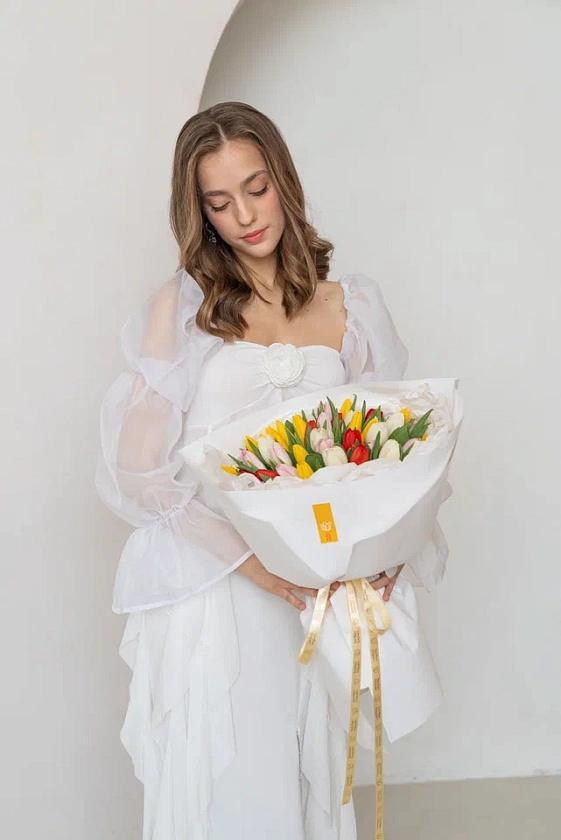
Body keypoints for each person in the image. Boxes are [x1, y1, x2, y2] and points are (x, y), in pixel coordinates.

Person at [95, 101, 409, 840]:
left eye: (256, 188)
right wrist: (254, 564)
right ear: (199, 213)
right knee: (233, 774)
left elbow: (384, 450)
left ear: (283, 181)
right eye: (219, 201)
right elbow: (138, 472)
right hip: (222, 584)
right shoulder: (184, 308)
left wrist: (384, 549)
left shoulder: (349, 306)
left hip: (314, 587)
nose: (244, 215)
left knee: (305, 766)